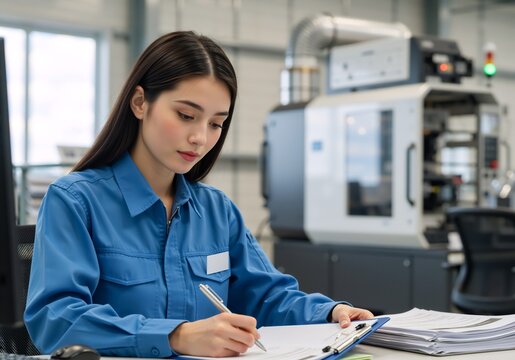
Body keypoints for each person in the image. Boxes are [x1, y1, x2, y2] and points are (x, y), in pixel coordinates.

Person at [24, 31, 373, 358]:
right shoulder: (75, 201)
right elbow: (55, 319)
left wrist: (330, 313)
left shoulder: (217, 210)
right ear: (140, 102)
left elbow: (266, 295)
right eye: (186, 115)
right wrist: (175, 336)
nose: (200, 138)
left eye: (216, 123)